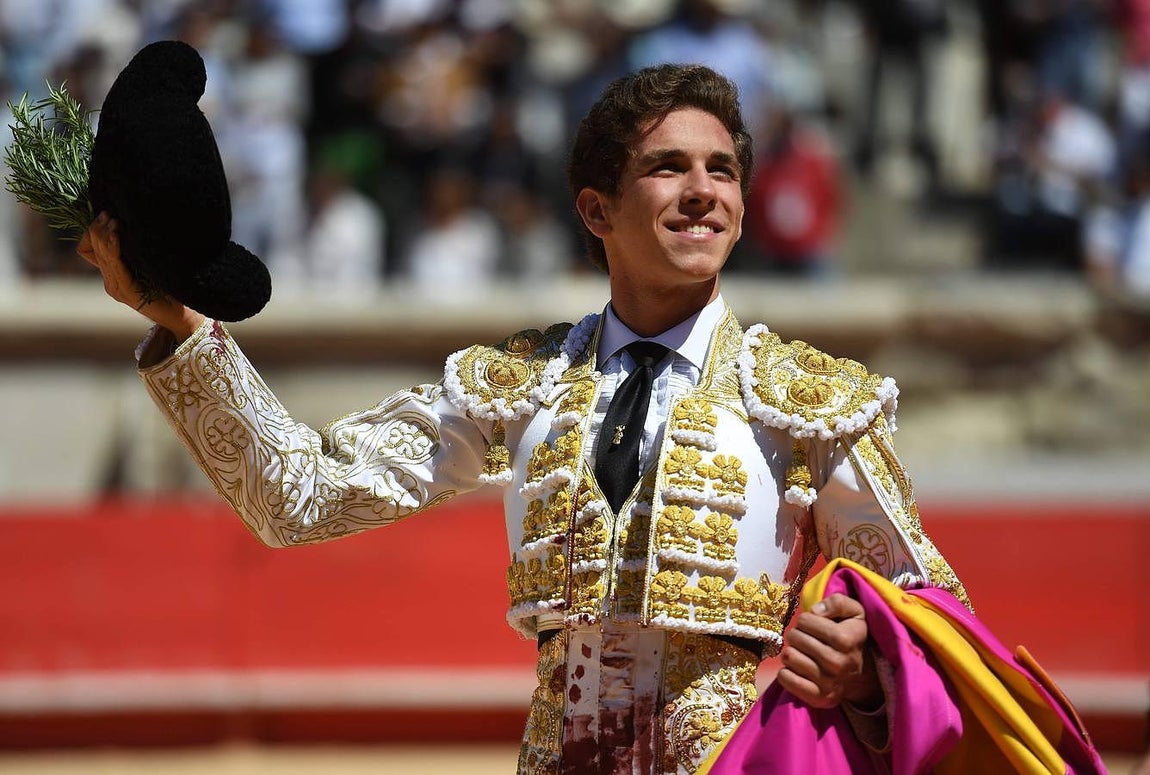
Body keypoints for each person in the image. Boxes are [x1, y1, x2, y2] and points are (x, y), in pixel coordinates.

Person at [77, 64, 967, 775]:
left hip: (735, 761)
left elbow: (933, 616)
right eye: (668, 167)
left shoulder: (809, 400)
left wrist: (864, 671)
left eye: (722, 169)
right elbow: (298, 496)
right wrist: (178, 322)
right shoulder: (519, 383)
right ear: (596, 209)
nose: (704, 191)